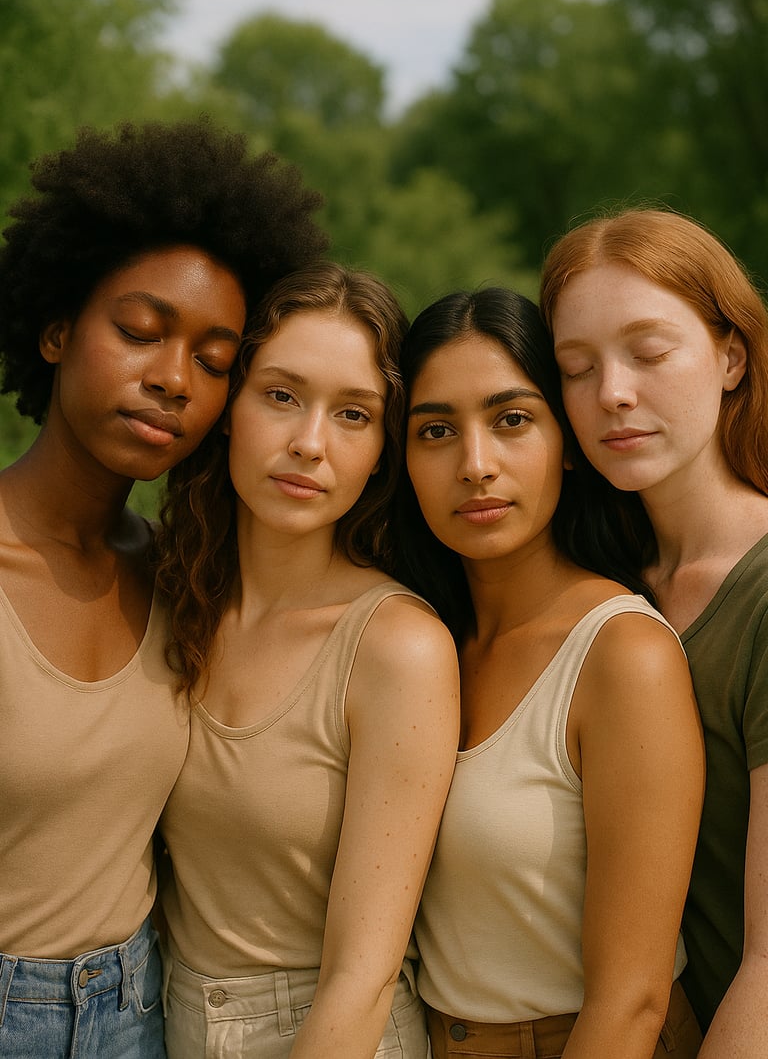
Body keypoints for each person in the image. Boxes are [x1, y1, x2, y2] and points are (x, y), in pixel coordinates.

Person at [0, 117, 328, 1059]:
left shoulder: (178, 577)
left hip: (145, 1015)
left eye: (217, 362)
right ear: (56, 329)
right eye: (140, 332)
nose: (174, 379)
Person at [154, 261, 459, 1059]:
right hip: (159, 1018)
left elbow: (361, 978)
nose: (309, 443)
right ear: (229, 409)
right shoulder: (168, 596)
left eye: (353, 414)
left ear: (379, 454)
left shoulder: (397, 647)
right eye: (281, 395)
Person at [397, 286, 704, 1059]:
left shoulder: (623, 654)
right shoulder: (416, 640)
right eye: (436, 430)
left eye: (511, 420)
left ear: (565, 438)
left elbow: (631, 1001)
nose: (475, 465)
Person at [540, 207, 768, 1057]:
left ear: (731, 355)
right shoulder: (604, 585)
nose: (613, 394)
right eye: (576, 367)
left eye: (649, 351)